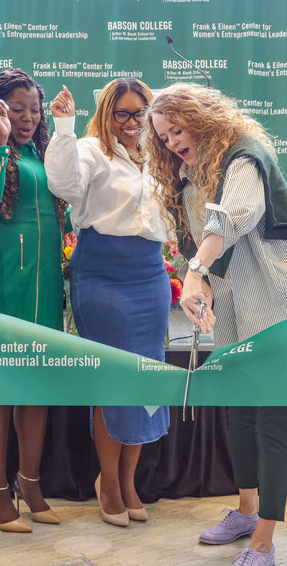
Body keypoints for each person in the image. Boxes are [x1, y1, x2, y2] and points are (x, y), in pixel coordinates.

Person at [145, 82, 287, 566]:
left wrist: (195, 271)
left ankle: (264, 537)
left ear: (201, 119)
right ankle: (247, 511)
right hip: (230, 302)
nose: (172, 143)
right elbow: (199, 244)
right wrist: (200, 288)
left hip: (276, 297)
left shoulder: (244, 154)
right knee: (240, 408)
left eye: (177, 130)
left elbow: (232, 218)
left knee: (272, 414)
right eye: (163, 137)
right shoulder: (187, 175)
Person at [46, 78, 171, 527]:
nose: (132, 122)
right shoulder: (90, 150)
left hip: (149, 273)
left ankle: (128, 480)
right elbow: (63, 185)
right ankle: (110, 483)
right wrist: (64, 128)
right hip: (101, 272)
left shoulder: (160, 155)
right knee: (112, 381)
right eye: (122, 113)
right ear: (106, 114)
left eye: (140, 113)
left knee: (144, 381)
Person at [0, 69, 65, 532]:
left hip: (43, 278)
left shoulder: (42, 152)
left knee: (36, 384)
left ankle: (30, 482)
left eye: (34, 110)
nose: (27, 118)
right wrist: (0, 142)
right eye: (16, 109)